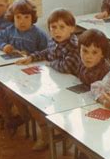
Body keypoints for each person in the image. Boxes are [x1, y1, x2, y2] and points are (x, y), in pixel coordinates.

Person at [16, 8, 81, 149]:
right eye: (53, 27)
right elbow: (47, 52)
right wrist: (32, 57)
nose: (57, 31)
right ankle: (46, 133)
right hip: (57, 84)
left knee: (62, 111)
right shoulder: (53, 41)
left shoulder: (74, 45)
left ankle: (69, 134)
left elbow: (66, 67)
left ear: (72, 29)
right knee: (34, 103)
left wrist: (49, 64)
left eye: (62, 27)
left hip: (72, 89)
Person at [0, 0, 49, 136]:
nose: (22, 21)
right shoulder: (10, 30)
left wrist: (32, 56)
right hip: (13, 73)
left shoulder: (38, 34)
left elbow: (48, 53)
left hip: (33, 75)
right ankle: (13, 117)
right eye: (18, 17)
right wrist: (4, 46)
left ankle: (29, 118)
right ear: (13, 18)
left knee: (19, 93)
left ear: (32, 18)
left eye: (26, 17)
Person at [74, 29, 110, 159]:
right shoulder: (83, 65)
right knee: (81, 132)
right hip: (86, 106)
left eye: (94, 52)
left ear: (102, 54)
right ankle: (85, 152)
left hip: (103, 112)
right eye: (84, 51)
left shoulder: (105, 71)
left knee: (96, 140)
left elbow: (107, 96)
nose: (88, 56)